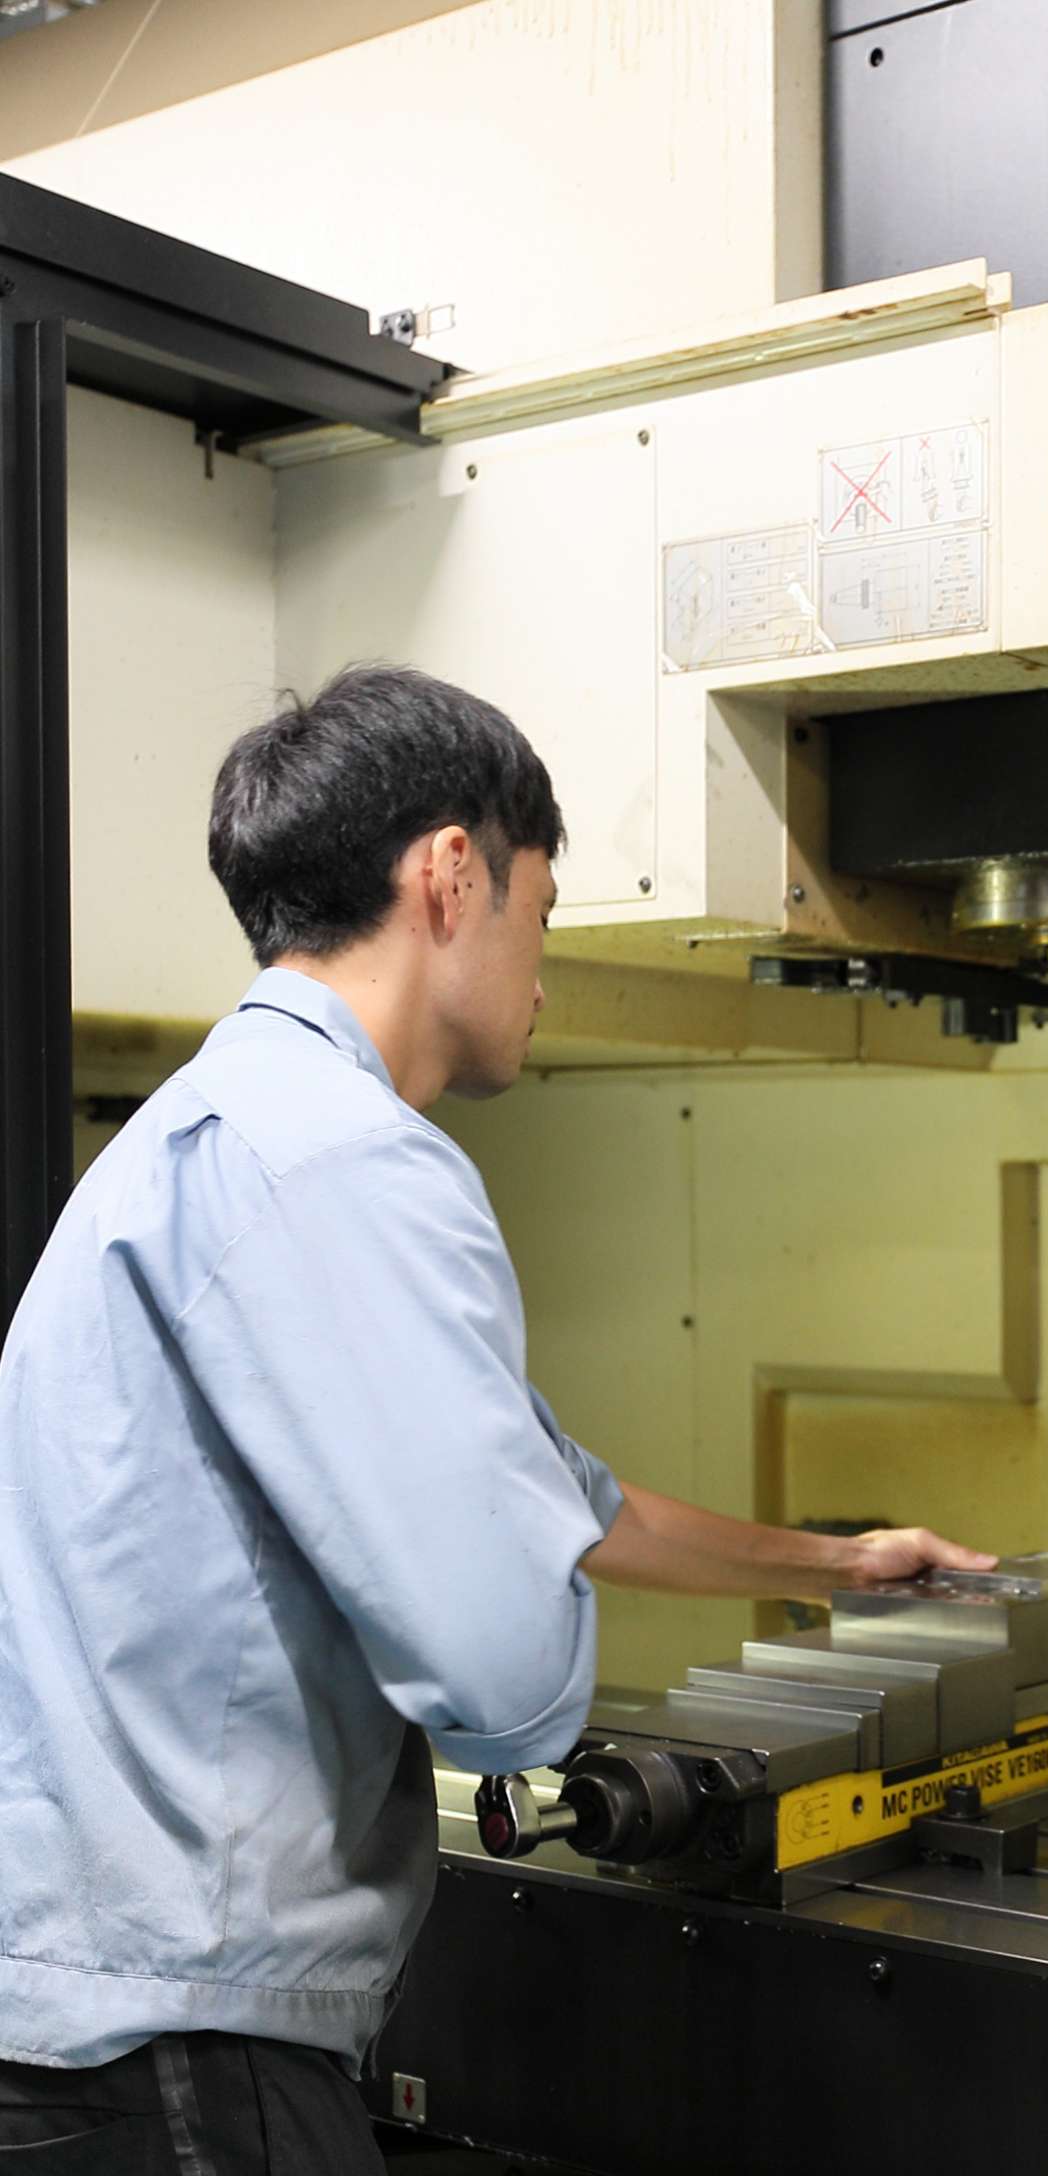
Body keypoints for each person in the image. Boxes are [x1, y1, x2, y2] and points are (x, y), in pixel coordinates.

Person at [0, 665, 994, 2171]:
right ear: (454, 874)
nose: (544, 970)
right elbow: (502, 1679)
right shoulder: (347, 1160)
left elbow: (553, 1495)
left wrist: (840, 1565)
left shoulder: (209, 1134)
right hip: (188, 2052)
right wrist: (529, 1650)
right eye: (544, 908)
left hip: (96, 2024)